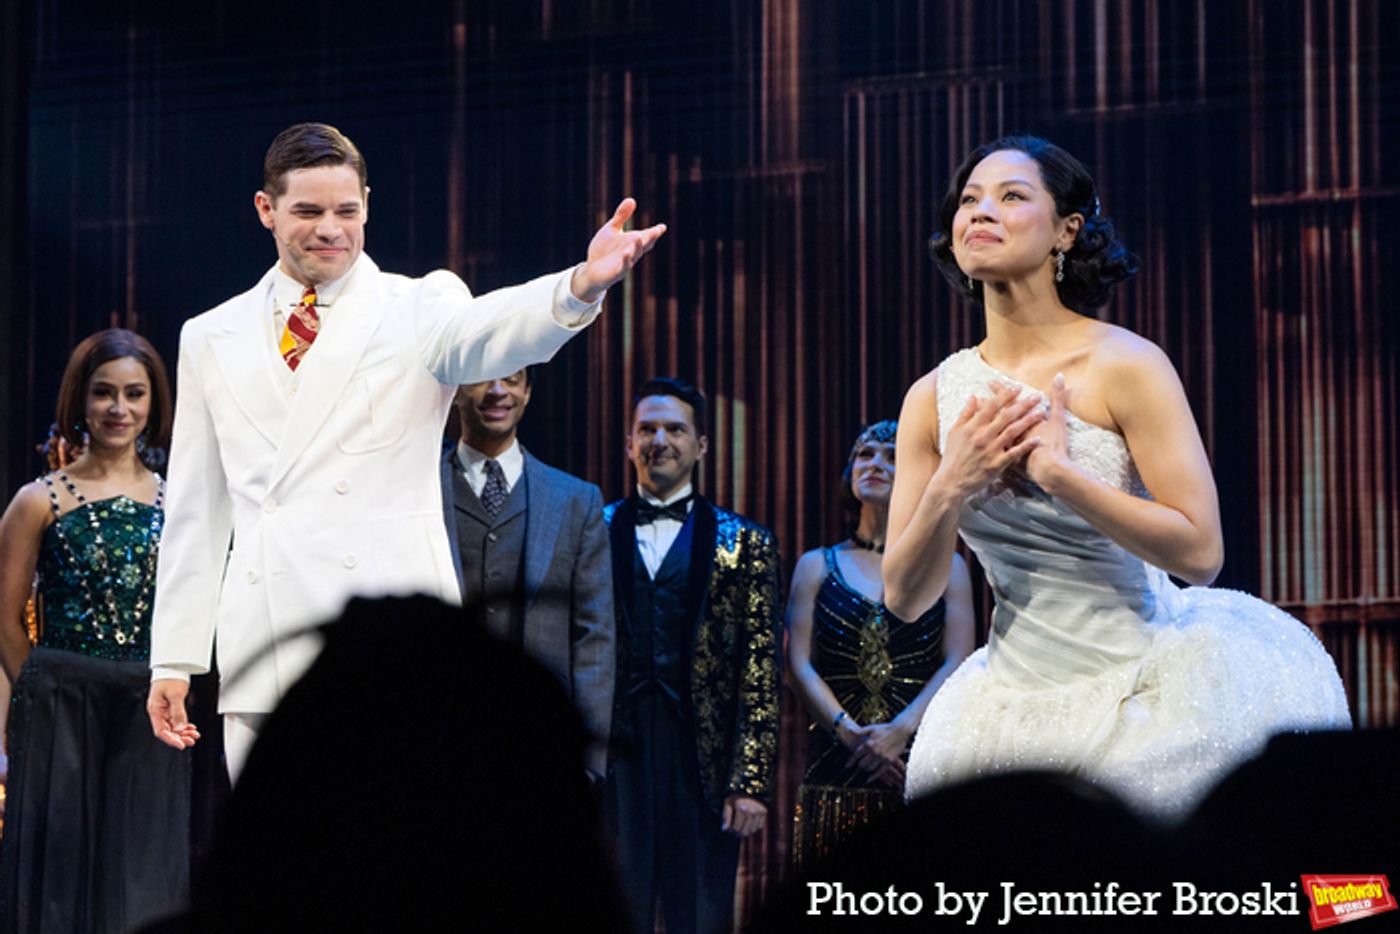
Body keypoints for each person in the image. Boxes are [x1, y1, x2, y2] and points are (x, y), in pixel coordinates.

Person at [145, 122, 664, 779]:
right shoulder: (210, 335)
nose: (331, 228)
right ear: (265, 210)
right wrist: (175, 658)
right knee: (280, 867)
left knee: (397, 867)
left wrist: (578, 286)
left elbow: (493, 333)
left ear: (367, 203)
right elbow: (196, 512)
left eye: (347, 210)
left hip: (396, 646)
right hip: (266, 653)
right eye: (308, 211)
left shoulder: (419, 304)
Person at [884, 135, 1351, 818]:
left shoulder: (1127, 364)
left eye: (1012, 196)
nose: (980, 213)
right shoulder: (931, 397)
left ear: (1067, 232)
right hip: (1005, 709)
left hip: (1154, 690)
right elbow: (906, 597)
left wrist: (1062, 477)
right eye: (969, 201)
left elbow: (1200, 553)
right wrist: (951, 484)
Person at [0, 329, 191, 933]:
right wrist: (34, 688)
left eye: (134, 394)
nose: (119, 408)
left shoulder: (180, 500)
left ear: (154, 404)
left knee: (144, 873)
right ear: (80, 400)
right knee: (59, 876)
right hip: (61, 707)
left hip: (148, 705)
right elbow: (4, 616)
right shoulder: (38, 501)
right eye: (104, 393)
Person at [604, 377, 782, 934]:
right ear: (629, 443)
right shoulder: (591, 528)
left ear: (702, 445)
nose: (661, 439)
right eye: (647, 429)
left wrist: (749, 780)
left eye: (675, 428)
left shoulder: (747, 542)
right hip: (615, 758)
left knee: (700, 918)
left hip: (702, 762)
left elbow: (761, 668)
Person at [785, 420, 973, 870]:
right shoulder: (815, 565)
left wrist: (902, 731)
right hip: (835, 762)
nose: (875, 464)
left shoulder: (949, 565)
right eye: (865, 453)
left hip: (916, 761)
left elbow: (959, 660)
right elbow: (797, 663)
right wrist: (852, 736)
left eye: (892, 456)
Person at [441, 367, 614, 780]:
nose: (497, 391)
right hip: (438, 735)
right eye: (482, 377)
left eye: (512, 379)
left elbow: (594, 638)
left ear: (528, 393)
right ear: (456, 391)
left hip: (541, 743)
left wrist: (588, 761)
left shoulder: (576, 500)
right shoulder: (418, 489)